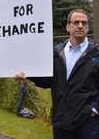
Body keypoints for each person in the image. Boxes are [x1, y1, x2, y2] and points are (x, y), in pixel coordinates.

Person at [17, 9, 99, 139]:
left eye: (84, 23)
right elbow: (47, 80)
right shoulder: (56, 53)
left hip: (87, 125)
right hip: (61, 122)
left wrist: (94, 109)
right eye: (76, 22)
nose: (80, 26)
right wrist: (28, 75)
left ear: (88, 27)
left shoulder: (96, 53)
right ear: (68, 26)